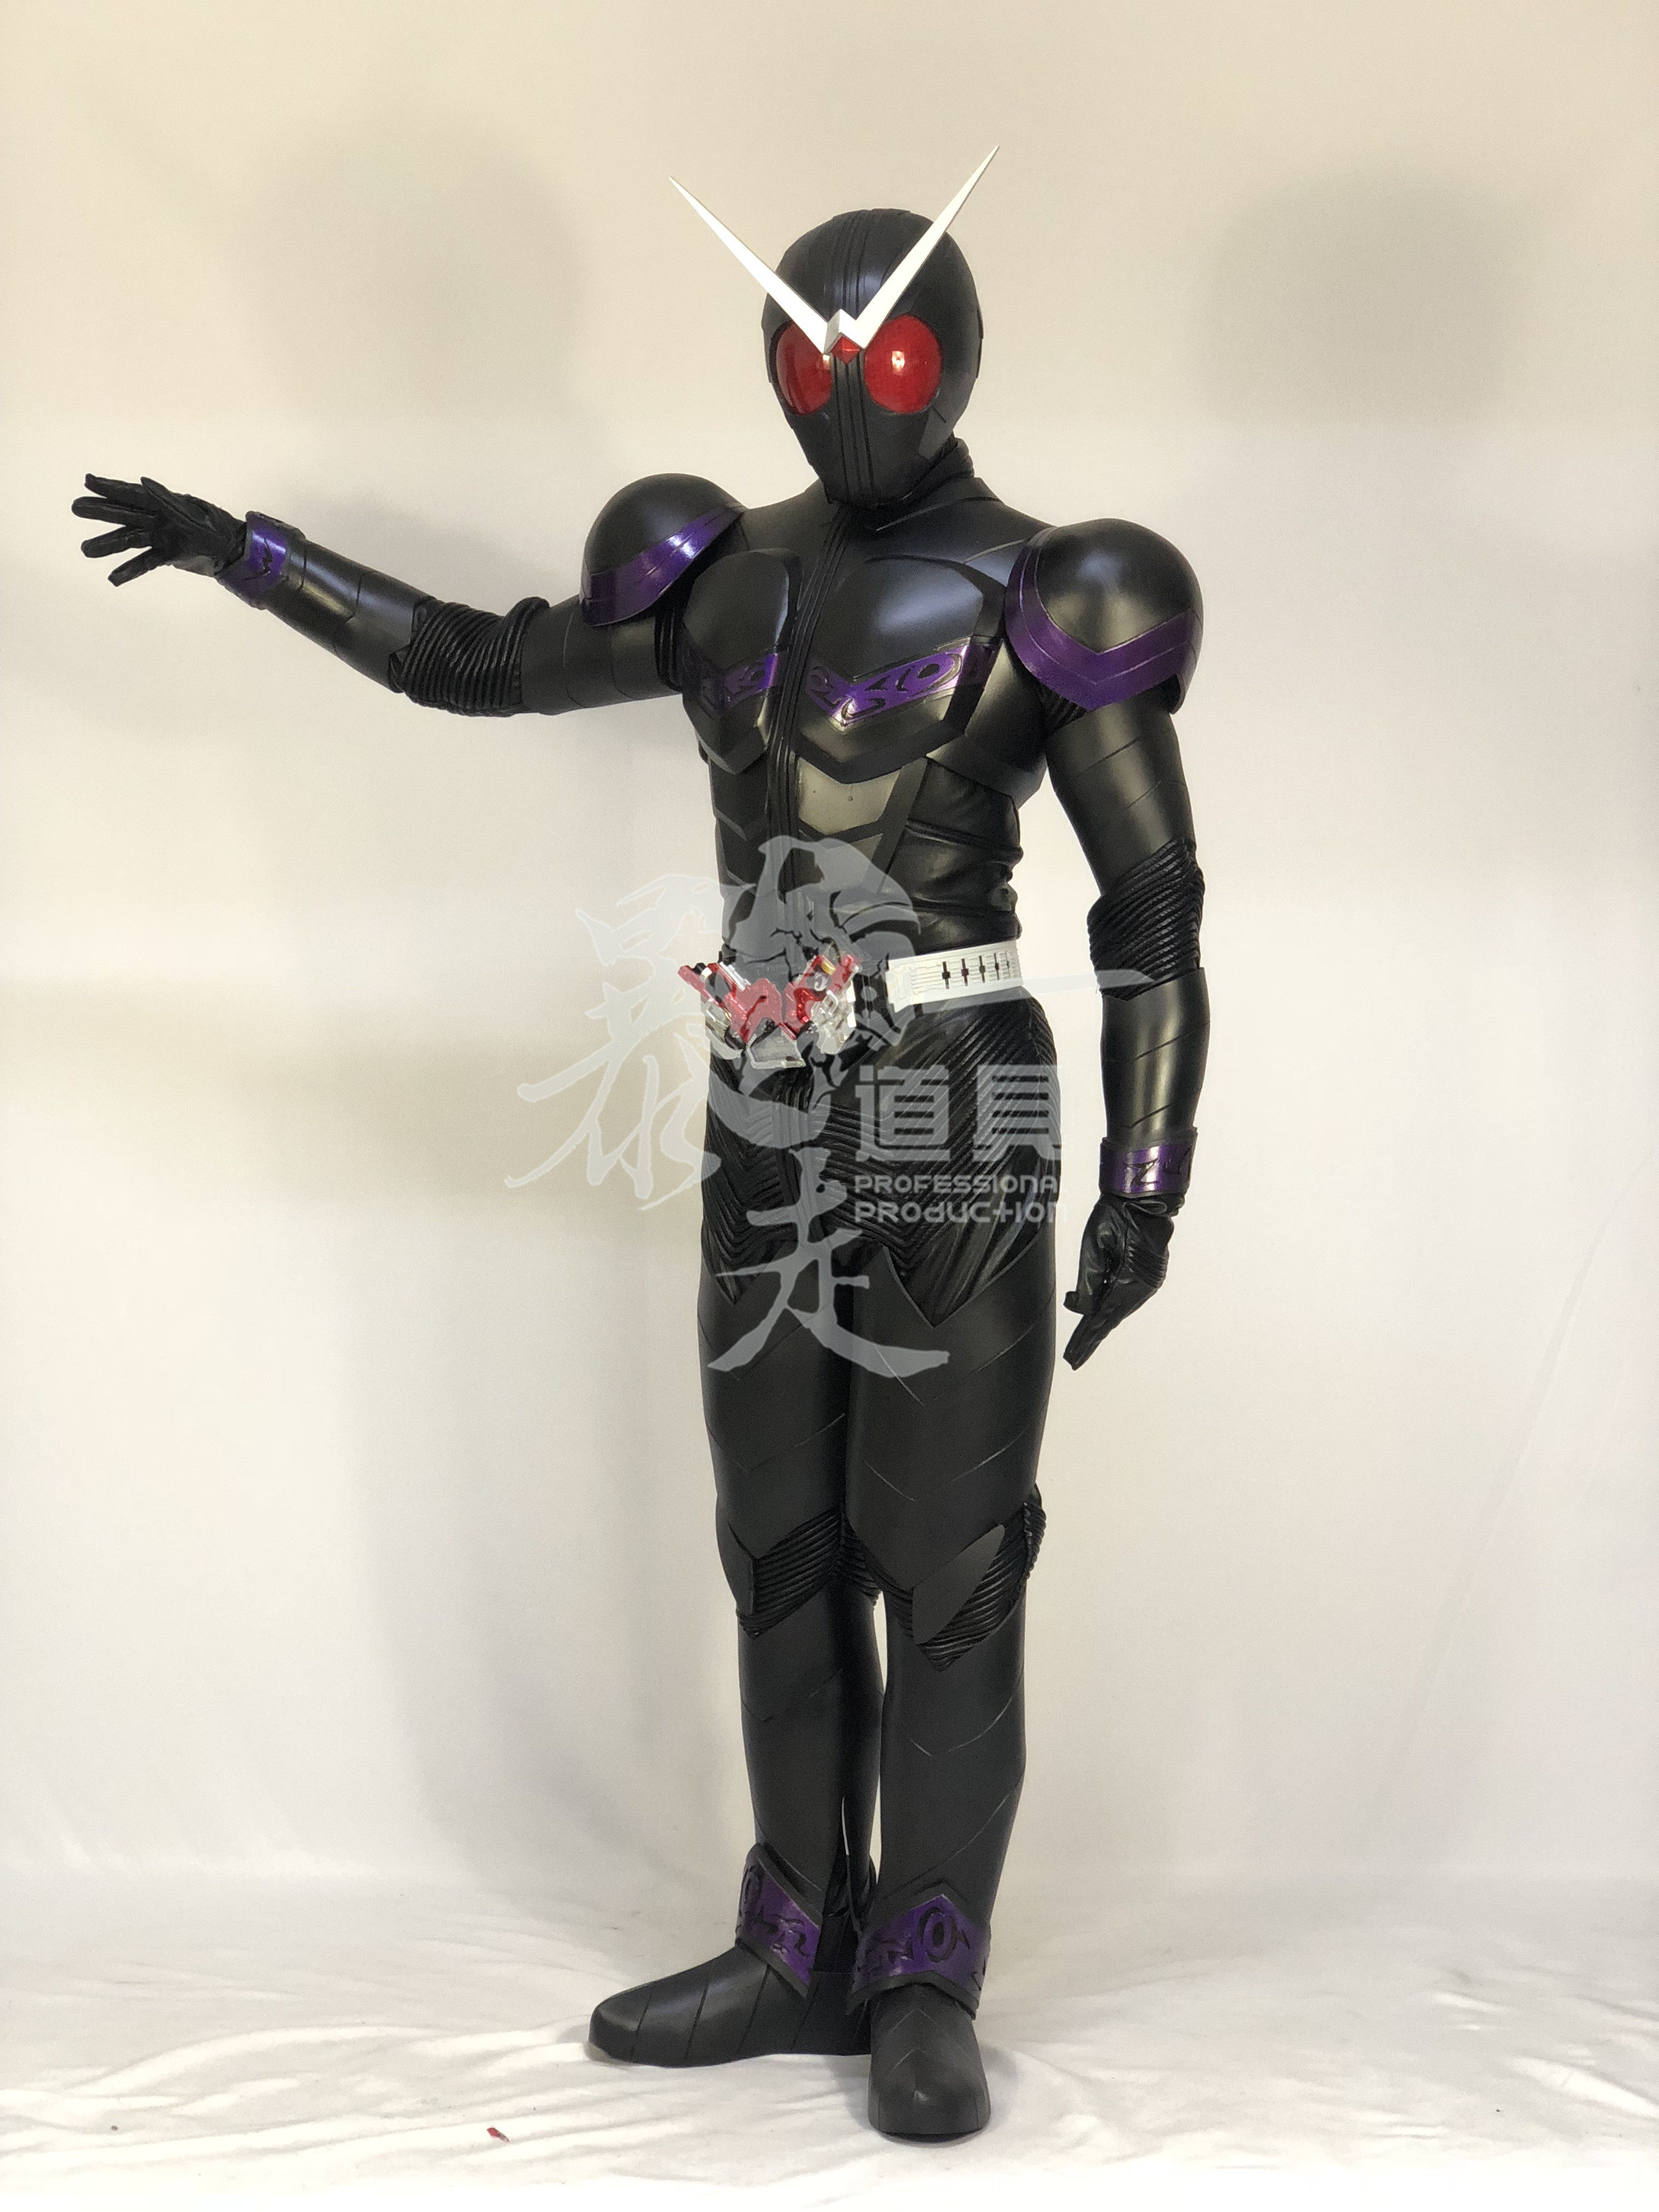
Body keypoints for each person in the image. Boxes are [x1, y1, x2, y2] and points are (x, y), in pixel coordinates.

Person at [72, 168, 1208, 2142]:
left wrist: (1147, 1167)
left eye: (885, 360)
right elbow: (475, 661)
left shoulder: (1052, 592)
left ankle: (925, 1971)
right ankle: (801, 1940)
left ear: (951, 361)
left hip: (955, 1091)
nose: (845, 396)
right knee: (782, 1554)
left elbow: (1154, 909)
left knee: (948, 1568)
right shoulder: (722, 578)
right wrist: (250, 554)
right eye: (808, 357)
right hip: (768, 1092)